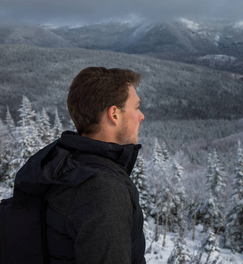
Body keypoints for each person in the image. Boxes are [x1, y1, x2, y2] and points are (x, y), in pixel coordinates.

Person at [13, 67, 146, 263]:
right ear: (114, 114)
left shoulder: (65, 164)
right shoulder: (104, 191)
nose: (141, 115)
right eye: (136, 107)